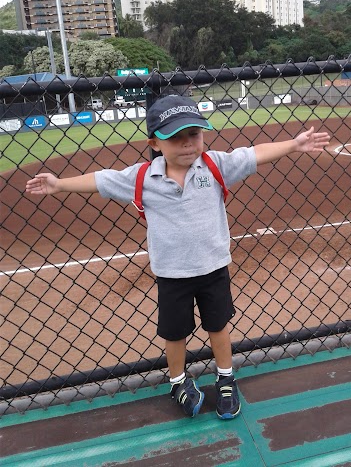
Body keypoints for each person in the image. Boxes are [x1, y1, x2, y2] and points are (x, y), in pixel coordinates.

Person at [26, 94, 330, 420]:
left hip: (213, 268)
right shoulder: (142, 178)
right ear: (155, 143)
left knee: (218, 325)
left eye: (194, 135)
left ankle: (226, 377)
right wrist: (60, 184)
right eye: (176, 137)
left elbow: (253, 154)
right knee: (175, 332)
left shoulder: (215, 165)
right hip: (171, 273)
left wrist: (294, 144)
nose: (187, 144)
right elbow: (102, 179)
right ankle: (177, 381)